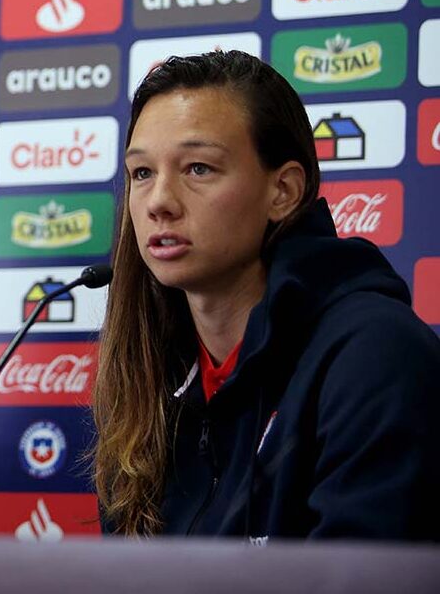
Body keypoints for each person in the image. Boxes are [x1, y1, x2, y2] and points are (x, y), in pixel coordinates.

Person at [92, 50, 440, 540]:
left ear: (284, 191)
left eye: (198, 168)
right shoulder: (150, 368)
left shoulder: (376, 356)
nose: (159, 203)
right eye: (142, 173)